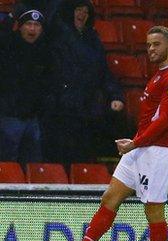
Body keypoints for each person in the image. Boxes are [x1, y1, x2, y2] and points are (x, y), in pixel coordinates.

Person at [44, 26, 168, 241]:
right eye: (148, 45)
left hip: (157, 151)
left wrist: (135, 143)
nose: (151, 50)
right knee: (110, 197)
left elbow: (164, 121)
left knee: (153, 210)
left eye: (156, 44)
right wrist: (136, 143)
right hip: (141, 147)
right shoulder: (160, 75)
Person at [44, 0, 124, 163]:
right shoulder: (60, 34)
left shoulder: (93, 39)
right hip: (62, 107)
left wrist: (116, 95)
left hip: (86, 106)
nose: (81, 15)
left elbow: (103, 71)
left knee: (84, 153)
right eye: (78, 10)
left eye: (85, 12)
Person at [0, 9, 53, 164]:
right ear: (20, 27)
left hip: (34, 118)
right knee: (8, 163)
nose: (32, 29)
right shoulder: (7, 49)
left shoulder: (45, 52)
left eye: (36, 25)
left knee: (34, 162)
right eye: (28, 24)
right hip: (10, 116)